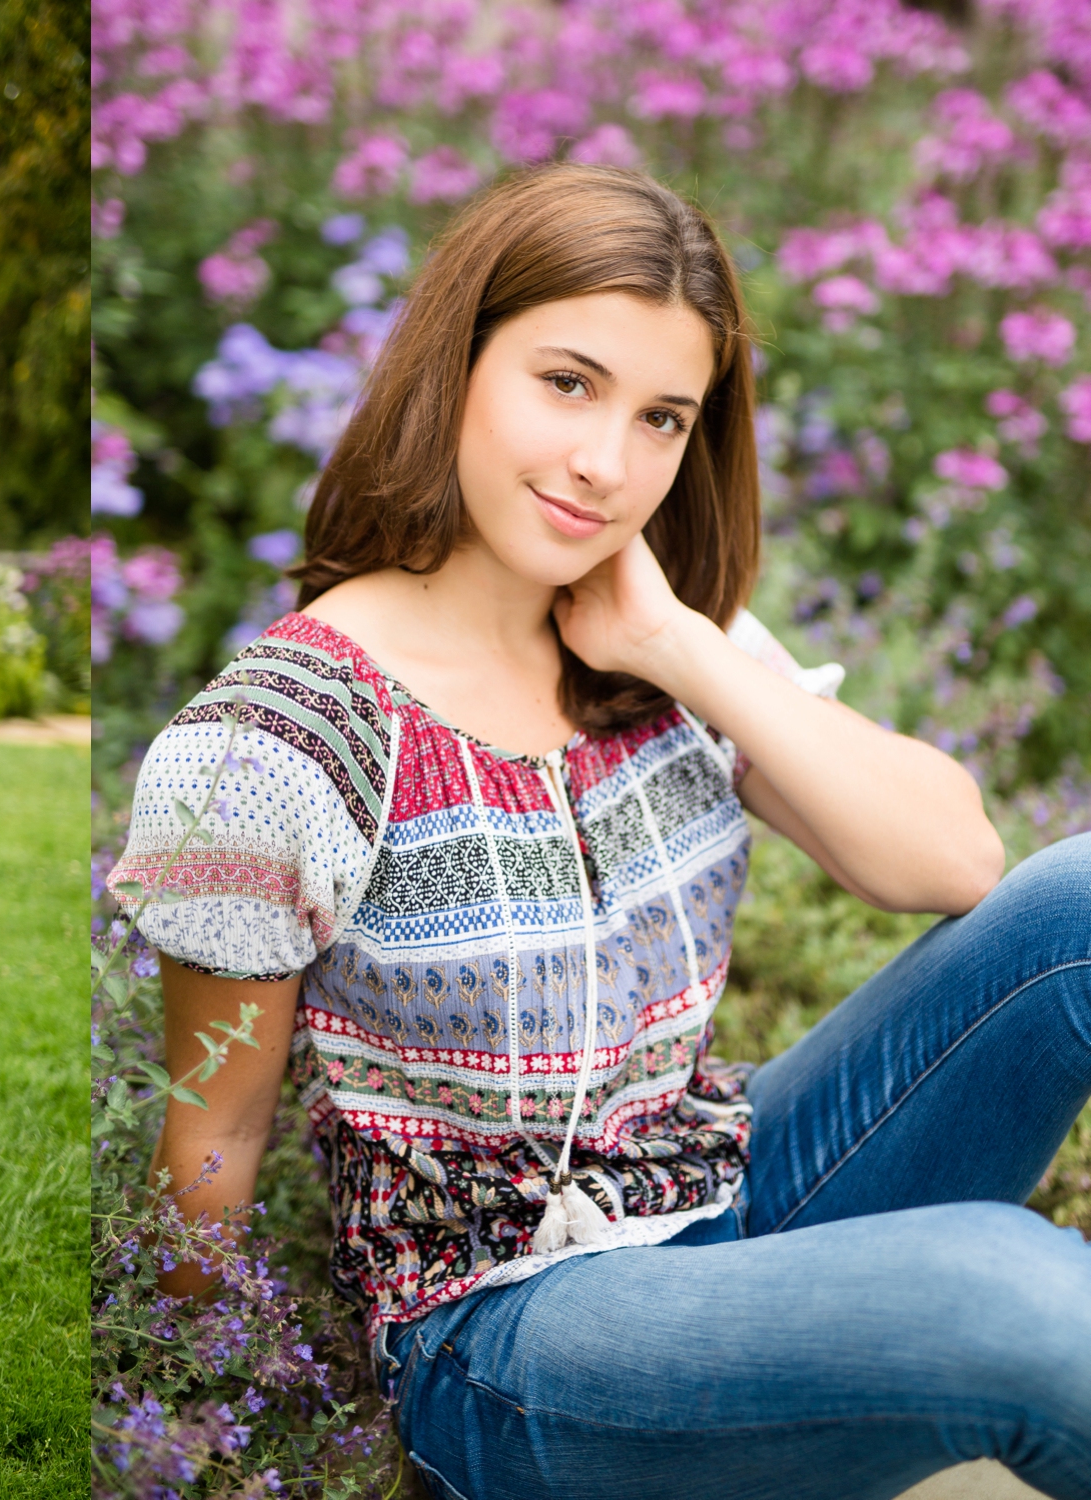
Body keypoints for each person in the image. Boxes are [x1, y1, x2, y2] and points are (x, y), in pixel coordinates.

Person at [110, 165, 1091, 1499]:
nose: (606, 464)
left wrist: (679, 642)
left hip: (724, 1194)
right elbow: (207, 1143)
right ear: (457, 363)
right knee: (1014, 1297)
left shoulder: (659, 644)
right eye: (567, 383)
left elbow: (951, 862)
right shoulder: (273, 748)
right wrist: (200, 1423)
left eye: (662, 417)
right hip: (509, 1333)